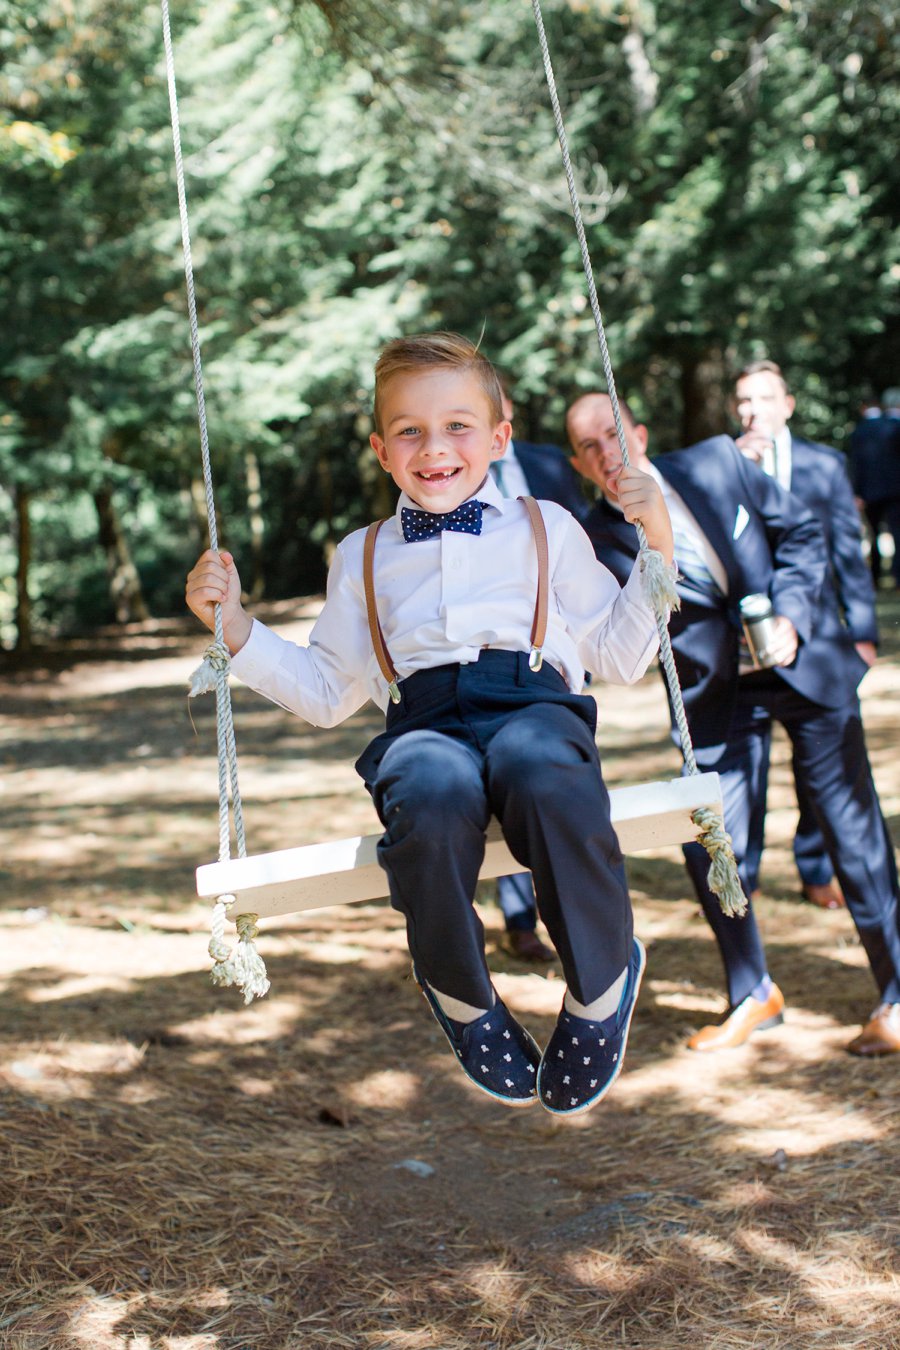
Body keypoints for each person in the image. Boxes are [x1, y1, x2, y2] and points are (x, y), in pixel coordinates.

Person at [186, 333, 676, 1115]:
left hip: (533, 700)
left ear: (498, 437)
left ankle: (601, 978)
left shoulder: (546, 524)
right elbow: (325, 691)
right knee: (427, 789)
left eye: (457, 426)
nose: (434, 447)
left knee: (542, 770)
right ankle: (461, 992)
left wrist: (657, 545)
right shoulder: (363, 553)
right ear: (381, 450)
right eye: (409, 430)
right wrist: (237, 628)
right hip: (424, 716)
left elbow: (618, 656)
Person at [567, 391, 900, 1058]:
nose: (607, 454)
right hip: (715, 696)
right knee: (711, 843)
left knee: (850, 830)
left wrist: (792, 616)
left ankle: (896, 993)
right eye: (589, 447)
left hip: (803, 665)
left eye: (613, 434)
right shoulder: (592, 539)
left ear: (639, 429)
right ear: (578, 463)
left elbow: (804, 534)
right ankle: (754, 993)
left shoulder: (717, 462)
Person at [733, 360, 879, 912]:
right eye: (744, 401)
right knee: (743, 772)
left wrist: (861, 634)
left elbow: (847, 550)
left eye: (765, 399)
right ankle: (739, 878)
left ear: (787, 404)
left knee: (819, 773)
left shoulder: (824, 465)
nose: (754, 410)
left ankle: (816, 868)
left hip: (817, 642)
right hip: (742, 645)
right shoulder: (722, 465)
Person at [489, 378, 589, 963]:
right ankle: (520, 918)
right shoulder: (444, 475)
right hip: (494, 654)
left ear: (509, 418)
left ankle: (566, 906)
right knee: (499, 774)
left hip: (558, 643)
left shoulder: (551, 465)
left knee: (554, 772)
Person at [849, 388, 900, 590]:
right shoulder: (892, 426)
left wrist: (857, 491)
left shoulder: (859, 431)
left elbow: (856, 464)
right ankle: (898, 576)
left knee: (874, 533)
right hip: (896, 490)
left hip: (870, 492)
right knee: (897, 533)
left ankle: (875, 575)